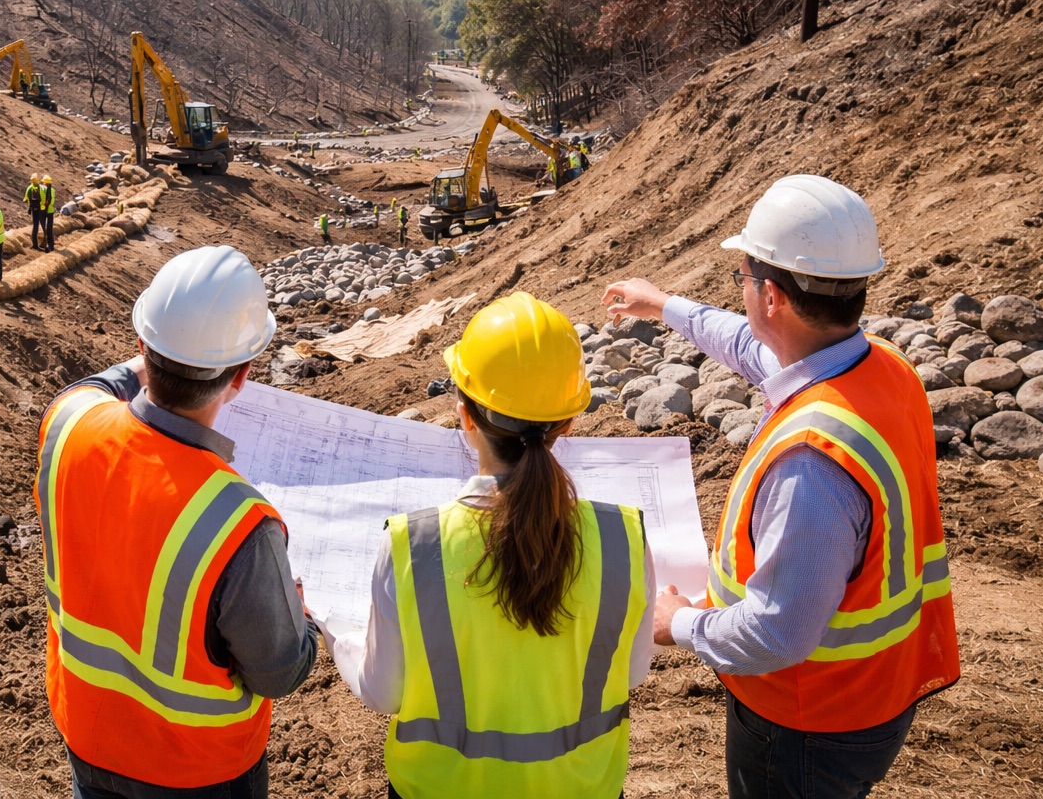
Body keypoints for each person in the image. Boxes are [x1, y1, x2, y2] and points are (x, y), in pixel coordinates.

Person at [601, 174, 959, 799]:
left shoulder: (811, 465)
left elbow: (777, 633)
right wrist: (663, 305)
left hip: (807, 723)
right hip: (873, 695)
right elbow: (750, 346)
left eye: (742, 277)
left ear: (771, 297)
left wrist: (680, 623)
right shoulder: (880, 366)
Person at [328, 292, 653, 797]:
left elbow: (381, 691)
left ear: (465, 416)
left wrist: (335, 634)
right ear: (567, 422)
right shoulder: (623, 538)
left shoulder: (413, 545)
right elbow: (631, 674)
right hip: (580, 787)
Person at [35, 246, 319, 799]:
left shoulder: (67, 422)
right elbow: (278, 672)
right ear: (243, 375)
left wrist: (168, 350)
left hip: (89, 736)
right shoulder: (240, 522)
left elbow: (95, 388)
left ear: (142, 345)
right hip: (196, 772)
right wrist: (299, 613)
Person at [38, 175, 57, 251]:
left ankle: (44, 244)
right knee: (49, 228)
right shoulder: (52, 190)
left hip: (43, 211)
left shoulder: (42, 189)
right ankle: (51, 245)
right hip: (50, 211)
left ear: (44, 182)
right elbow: (51, 202)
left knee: (43, 228)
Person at [24, 173, 43, 249]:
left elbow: (25, 199)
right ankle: (38, 244)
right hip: (40, 209)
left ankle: (35, 244)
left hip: (33, 209)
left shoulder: (29, 188)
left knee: (35, 226)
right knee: (39, 226)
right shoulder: (40, 188)